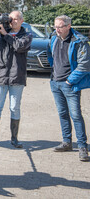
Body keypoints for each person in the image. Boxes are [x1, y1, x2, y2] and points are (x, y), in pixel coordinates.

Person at [47, 15, 90, 162]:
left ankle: (82, 146)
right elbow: (50, 56)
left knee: (76, 115)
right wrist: (54, 75)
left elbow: (84, 65)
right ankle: (67, 142)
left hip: (70, 85)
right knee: (62, 113)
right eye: (55, 26)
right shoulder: (54, 37)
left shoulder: (80, 41)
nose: (57, 30)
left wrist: (69, 81)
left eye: (60, 27)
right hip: (55, 82)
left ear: (68, 26)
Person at [0, 11, 33, 148]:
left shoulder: (27, 35)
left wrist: (6, 35)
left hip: (17, 77)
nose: (12, 21)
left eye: (15, 19)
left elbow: (19, 47)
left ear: (22, 20)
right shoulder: (2, 34)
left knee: (14, 107)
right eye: (10, 19)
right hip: (1, 75)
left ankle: (14, 138)